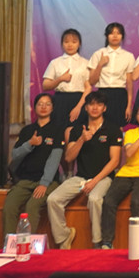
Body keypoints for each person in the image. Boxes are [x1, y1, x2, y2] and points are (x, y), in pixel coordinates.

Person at [47, 91, 122, 249]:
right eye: (91, 104)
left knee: (94, 199)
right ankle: (64, 236)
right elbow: (69, 157)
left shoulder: (113, 129)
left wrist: (94, 181)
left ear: (104, 108)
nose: (95, 107)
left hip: (104, 178)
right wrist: (82, 139)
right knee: (53, 199)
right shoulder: (77, 130)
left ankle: (98, 242)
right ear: (86, 108)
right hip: (80, 177)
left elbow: (115, 161)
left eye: (99, 104)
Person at [99, 103, 139, 249]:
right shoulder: (131, 133)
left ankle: (138, 243)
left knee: (137, 202)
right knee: (109, 201)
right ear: (136, 117)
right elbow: (129, 153)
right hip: (126, 173)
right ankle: (107, 242)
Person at [3, 94, 63, 236]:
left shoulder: (57, 130)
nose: (43, 107)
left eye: (47, 104)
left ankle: (26, 244)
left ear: (52, 108)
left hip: (48, 181)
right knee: (9, 206)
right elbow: (15, 155)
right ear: (35, 107)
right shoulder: (27, 131)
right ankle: (9, 243)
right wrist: (30, 143)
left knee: (31, 207)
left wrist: (44, 183)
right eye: (40, 104)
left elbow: (54, 159)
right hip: (25, 180)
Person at [87, 22, 135, 128]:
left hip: (119, 95)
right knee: (100, 126)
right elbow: (91, 81)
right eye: (112, 33)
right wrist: (100, 64)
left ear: (122, 36)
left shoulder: (128, 56)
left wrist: (129, 105)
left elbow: (129, 83)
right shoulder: (98, 54)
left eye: (118, 33)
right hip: (102, 94)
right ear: (106, 36)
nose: (115, 36)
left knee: (118, 127)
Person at [42, 28, 90, 127]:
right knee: (59, 129)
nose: (70, 45)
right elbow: (45, 85)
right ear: (62, 44)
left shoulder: (86, 63)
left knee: (77, 130)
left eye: (74, 42)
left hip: (79, 100)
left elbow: (88, 88)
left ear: (79, 44)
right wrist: (60, 79)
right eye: (66, 42)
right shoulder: (55, 62)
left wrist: (78, 107)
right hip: (60, 101)